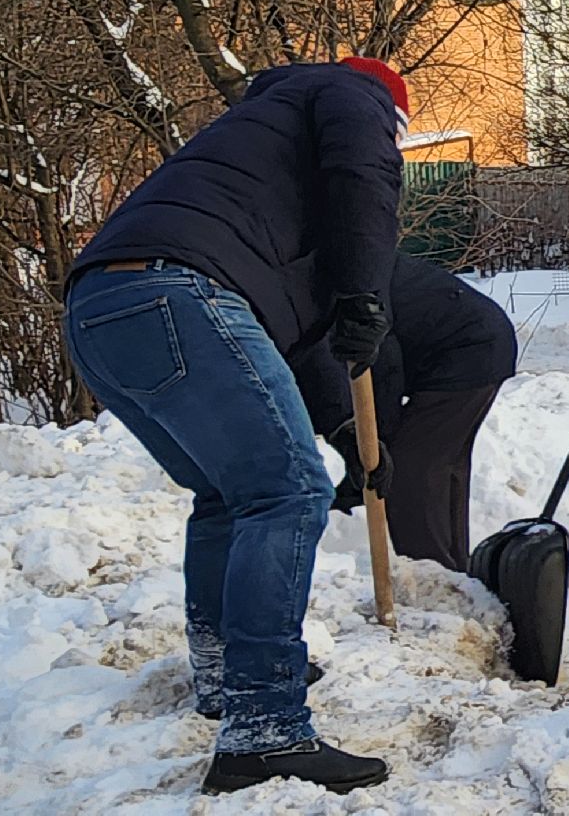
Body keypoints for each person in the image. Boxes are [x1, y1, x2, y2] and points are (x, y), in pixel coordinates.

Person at [60, 58, 405, 794]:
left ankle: (224, 676)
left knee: (227, 494)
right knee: (284, 496)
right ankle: (265, 727)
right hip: (180, 291)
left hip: (100, 309)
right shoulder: (350, 92)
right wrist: (369, 291)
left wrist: (350, 438)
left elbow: (299, 340)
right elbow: (364, 186)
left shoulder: (252, 152)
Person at [293, 252, 519, 572]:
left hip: (467, 348)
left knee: (409, 472)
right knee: (438, 466)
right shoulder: (334, 267)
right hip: (476, 342)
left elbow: (381, 367)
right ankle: (452, 575)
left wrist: (373, 449)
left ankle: (429, 578)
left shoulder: (341, 283)